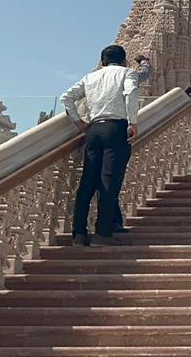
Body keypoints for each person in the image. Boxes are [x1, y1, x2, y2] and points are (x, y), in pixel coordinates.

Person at [61, 45, 151, 247]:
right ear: (124, 61)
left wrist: (79, 122)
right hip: (116, 129)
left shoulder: (90, 78)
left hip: (93, 131)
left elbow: (66, 98)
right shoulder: (127, 73)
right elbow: (131, 92)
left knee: (87, 182)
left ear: (102, 61)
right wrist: (133, 122)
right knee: (109, 181)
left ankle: (79, 234)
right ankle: (103, 233)